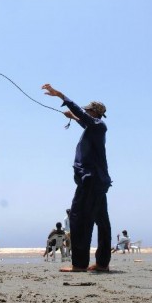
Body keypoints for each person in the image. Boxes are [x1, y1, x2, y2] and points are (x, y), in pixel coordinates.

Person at [42, 84, 112, 273]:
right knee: (102, 221)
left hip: (90, 180)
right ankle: (103, 263)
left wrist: (60, 95)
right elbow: (84, 120)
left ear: (93, 112)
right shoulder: (96, 127)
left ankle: (79, 264)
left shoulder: (97, 125)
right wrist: (72, 117)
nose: (85, 112)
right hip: (98, 181)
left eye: (88, 110)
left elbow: (83, 116)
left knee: (79, 219)